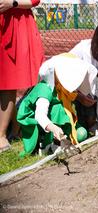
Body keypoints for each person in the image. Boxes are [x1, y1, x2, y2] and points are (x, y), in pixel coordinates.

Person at [17, 53, 97, 157]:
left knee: (81, 134)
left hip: (60, 121)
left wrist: (81, 97)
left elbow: (70, 95)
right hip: (41, 123)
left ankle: (60, 139)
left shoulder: (61, 86)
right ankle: (45, 142)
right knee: (57, 108)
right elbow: (40, 115)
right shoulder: (44, 89)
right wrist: (54, 128)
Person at [0, 0, 44, 153]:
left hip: (15, 21)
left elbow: (34, 1)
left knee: (9, 82)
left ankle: (2, 135)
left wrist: (12, 3)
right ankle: (16, 127)